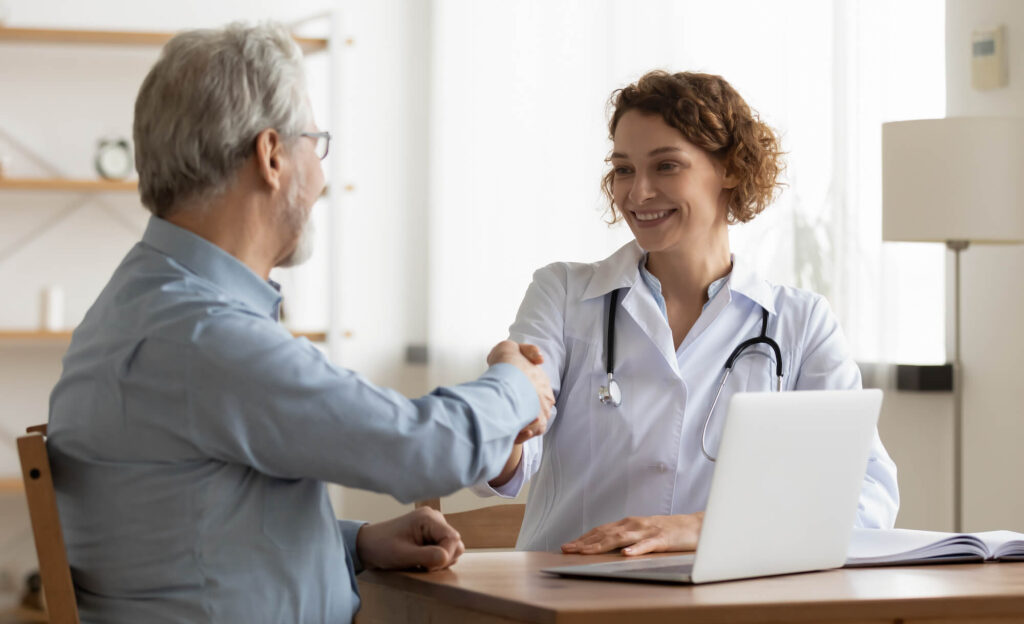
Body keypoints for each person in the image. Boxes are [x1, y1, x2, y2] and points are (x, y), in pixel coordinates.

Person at [47, 22, 553, 624]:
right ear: (271, 156)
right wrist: (515, 387)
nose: (320, 175)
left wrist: (355, 543)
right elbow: (421, 450)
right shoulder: (206, 336)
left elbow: (184, 527)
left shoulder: (135, 308)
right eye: (316, 142)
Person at [474, 70, 899, 555]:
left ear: (731, 169)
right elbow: (506, 467)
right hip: (568, 595)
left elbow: (866, 494)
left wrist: (704, 527)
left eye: (667, 166)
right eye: (625, 169)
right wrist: (504, 413)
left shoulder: (801, 323)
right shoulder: (564, 293)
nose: (638, 194)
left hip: (723, 597)